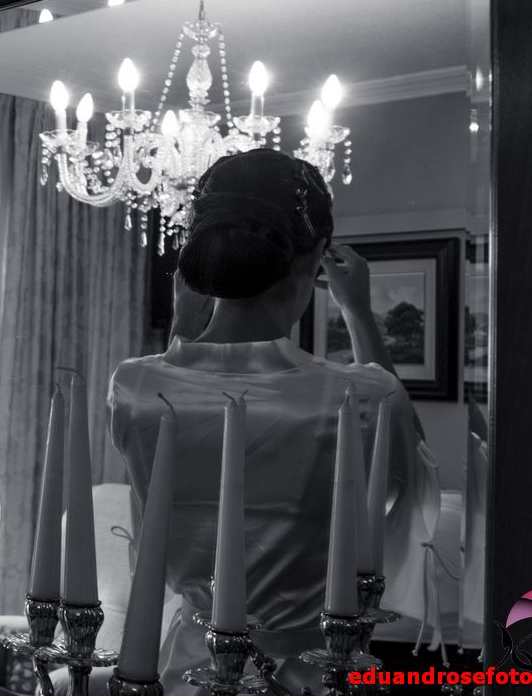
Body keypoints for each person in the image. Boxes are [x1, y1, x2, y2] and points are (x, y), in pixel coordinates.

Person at [106, 149, 439, 695]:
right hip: (313, 666)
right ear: (313, 261)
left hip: (188, 667)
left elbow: (178, 397)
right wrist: (357, 312)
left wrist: (184, 328)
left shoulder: (133, 386)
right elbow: (406, 484)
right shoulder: (361, 394)